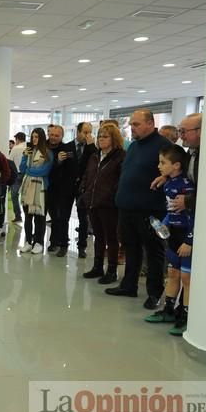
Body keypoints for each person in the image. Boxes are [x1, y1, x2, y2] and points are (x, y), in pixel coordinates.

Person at [105, 109, 170, 310]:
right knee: (131, 247)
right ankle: (128, 285)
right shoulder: (133, 146)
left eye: (136, 124)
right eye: (131, 124)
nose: (132, 128)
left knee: (154, 252)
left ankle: (154, 292)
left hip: (150, 210)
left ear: (150, 123)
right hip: (127, 207)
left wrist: (165, 178)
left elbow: (175, 170)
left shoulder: (164, 146)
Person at [145, 145, 195, 336]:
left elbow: (194, 216)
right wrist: (164, 225)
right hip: (173, 234)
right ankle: (168, 310)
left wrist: (189, 241)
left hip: (186, 236)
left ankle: (186, 316)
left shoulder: (187, 188)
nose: (159, 166)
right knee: (173, 274)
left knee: (187, 278)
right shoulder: (168, 184)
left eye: (162, 163)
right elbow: (170, 210)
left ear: (176, 165)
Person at [79, 122, 126, 284]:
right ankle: (97, 266)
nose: (100, 139)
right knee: (98, 237)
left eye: (105, 136)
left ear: (114, 138)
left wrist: (110, 196)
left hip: (109, 204)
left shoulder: (120, 157)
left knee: (111, 238)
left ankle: (111, 270)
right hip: (92, 202)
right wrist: (84, 191)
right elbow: (87, 175)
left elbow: (120, 181)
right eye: (99, 136)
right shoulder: (94, 156)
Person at [18, 128, 53, 254]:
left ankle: (39, 243)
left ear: (42, 138)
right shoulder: (29, 152)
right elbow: (22, 168)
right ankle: (28, 242)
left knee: (40, 218)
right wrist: (24, 157)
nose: (34, 139)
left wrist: (28, 170)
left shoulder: (48, 153)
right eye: (33, 136)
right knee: (27, 217)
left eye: (37, 137)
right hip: (27, 187)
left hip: (41, 189)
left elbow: (44, 171)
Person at [46, 124, 77, 257]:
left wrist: (60, 162)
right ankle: (54, 242)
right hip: (48, 188)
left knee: (63, 217)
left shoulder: (67, 149)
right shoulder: (43, 148)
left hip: (64, 190)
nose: (53, 137)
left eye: (56, 135)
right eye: (51, 134)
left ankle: (63, 244)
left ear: (62, 136)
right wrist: (56, 162)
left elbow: (73, 170)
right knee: (53, 217)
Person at [73, 121, 97, 258]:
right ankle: (60, 242)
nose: (87, 135)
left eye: (89, 132)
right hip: (69, 186)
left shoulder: (92, 148)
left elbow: (94, 161)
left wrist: (91, 146)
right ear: (78, 132)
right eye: (85, 132)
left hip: (83, 188)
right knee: (62, 215)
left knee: (83, 218)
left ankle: (82, 246)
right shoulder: (69, 146)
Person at [8, 132, 26, 223]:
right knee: (26, 196)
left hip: (17, 174)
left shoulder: (16, 148)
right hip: (27, 174)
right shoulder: (28, 147)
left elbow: (9, 161)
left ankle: (18, 216)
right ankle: (28, 216)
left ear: (18, 139)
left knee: (14, 195)